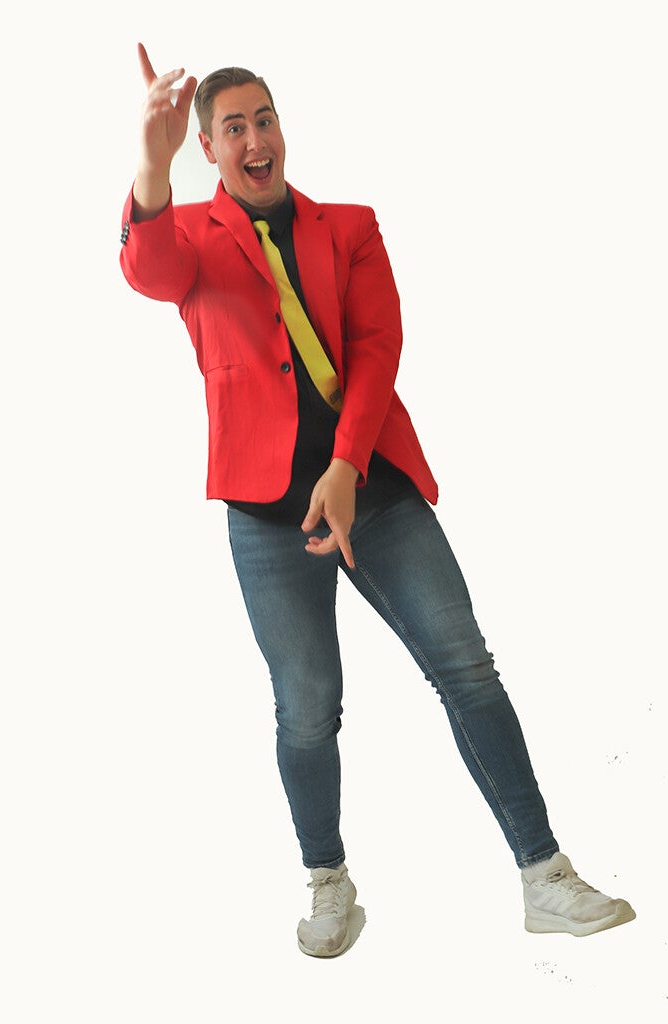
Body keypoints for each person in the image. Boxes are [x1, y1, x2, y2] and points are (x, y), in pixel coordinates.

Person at [120, 43, 635, 957]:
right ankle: (329, 883)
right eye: (233, 128)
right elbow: (148, 272)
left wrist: (346, 467)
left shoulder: (349, 227)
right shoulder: (188, 235)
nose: (255, 140)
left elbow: (376, 347)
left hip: (376, 492)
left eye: (265, 120)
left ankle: (544, 874)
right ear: (208, 147)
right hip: (267, 515)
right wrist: (150, 165)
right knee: (306, 707)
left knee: (467, 668)